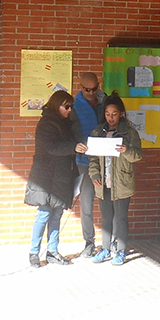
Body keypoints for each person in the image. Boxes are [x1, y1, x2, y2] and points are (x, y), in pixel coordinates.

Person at [25, 91, 88, 267]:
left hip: (61, 176)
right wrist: (73, 146)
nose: (69, 110)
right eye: (66, 107)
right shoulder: (46, 123)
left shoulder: (67, 123)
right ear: (56, 105)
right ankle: (34, 252)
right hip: (45, 176)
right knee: (44, 214)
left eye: (71, 107)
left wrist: (76, 142)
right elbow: (51, 147)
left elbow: (72, 140)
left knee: (57, 214)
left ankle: (52, 251)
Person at [90, 93, 143, 266]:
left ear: (121, 113)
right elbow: (92, 158)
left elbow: (137, 156)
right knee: (106, 218)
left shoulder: (130, 133)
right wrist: (95, 175)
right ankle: (105, 248)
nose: (110, 118)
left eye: (114, 114)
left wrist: (126, 150)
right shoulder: (98, 132)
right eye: (107, 114)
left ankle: (120, 251)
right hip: (103, 182)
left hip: (121, 182)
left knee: (120, 218)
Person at [71, 72, 106, 258]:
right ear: (81, 87)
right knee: (86, 202)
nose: (90, 93)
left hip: (106, 158)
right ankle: (89, 242)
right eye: (86, 90)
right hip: (84, 160)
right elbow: (71, 130)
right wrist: (77, 144)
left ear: (98, 85)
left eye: (94, 89)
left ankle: (110, 241)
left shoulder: (105, 101)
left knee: (108, 200)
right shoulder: (75, 105)